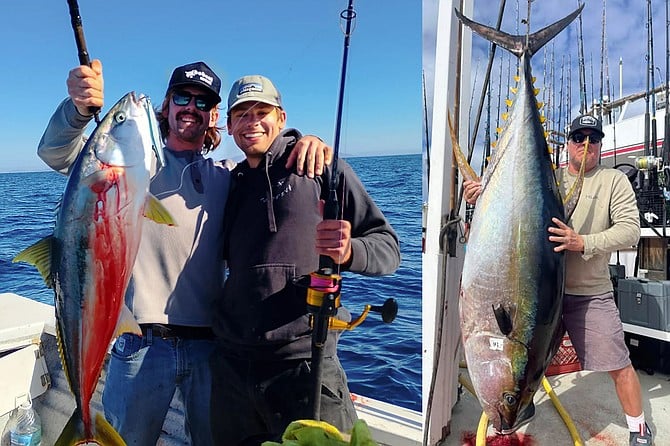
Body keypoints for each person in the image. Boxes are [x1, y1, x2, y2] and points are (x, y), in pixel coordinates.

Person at [37, 61, 331, 445]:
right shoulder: (133, 169)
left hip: (211, 349)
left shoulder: (228, 177)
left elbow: (270, 166)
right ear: (166, 106)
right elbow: (56, 153)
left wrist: (304, 141)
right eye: (182, 97)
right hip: (141, 342)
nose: (191, 107)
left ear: (213, 117)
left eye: (203, 102)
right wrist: (76, 109)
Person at [209, 74, 401, 445]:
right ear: (229, 125)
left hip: (305, 364)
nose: (252, 122)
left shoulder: (319, 167)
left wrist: (349, 251)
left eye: (262, 112)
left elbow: (389, 249)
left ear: (281, 119)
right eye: (242, 114)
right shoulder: (228, 185)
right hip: (231, 368)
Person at [464, 114, 650, 445]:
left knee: (618, 362)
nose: (587, 144)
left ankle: (638, 428)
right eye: (580, 137)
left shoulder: (613, 181)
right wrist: (482, 197)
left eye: (594, 139)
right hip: (540, 292)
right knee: (534, 359)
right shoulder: (548, 178)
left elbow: (631, 231)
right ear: (569, 144)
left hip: (588, 293)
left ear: (601, 146)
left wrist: (583, 243)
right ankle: (523, 403)